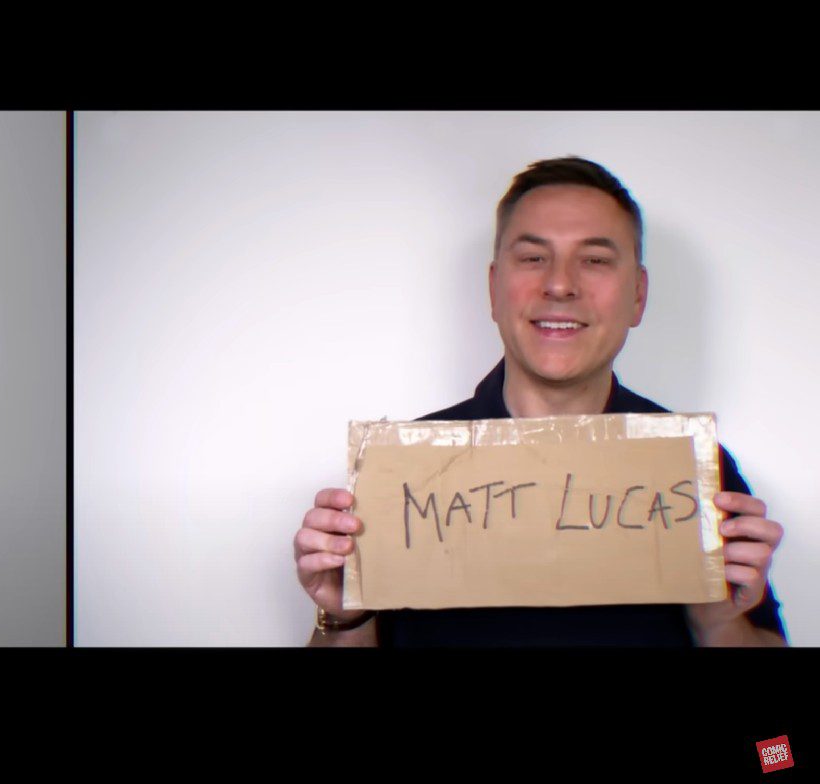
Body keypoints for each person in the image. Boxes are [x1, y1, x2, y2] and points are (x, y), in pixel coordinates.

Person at [293, 157, 786, 647]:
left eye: (594, 260)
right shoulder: (398, 474)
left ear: (637, 295)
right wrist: (345, 618)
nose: (559, 284)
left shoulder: (695, 472)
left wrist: (719, 622)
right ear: (494, 288)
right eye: (533, 258)